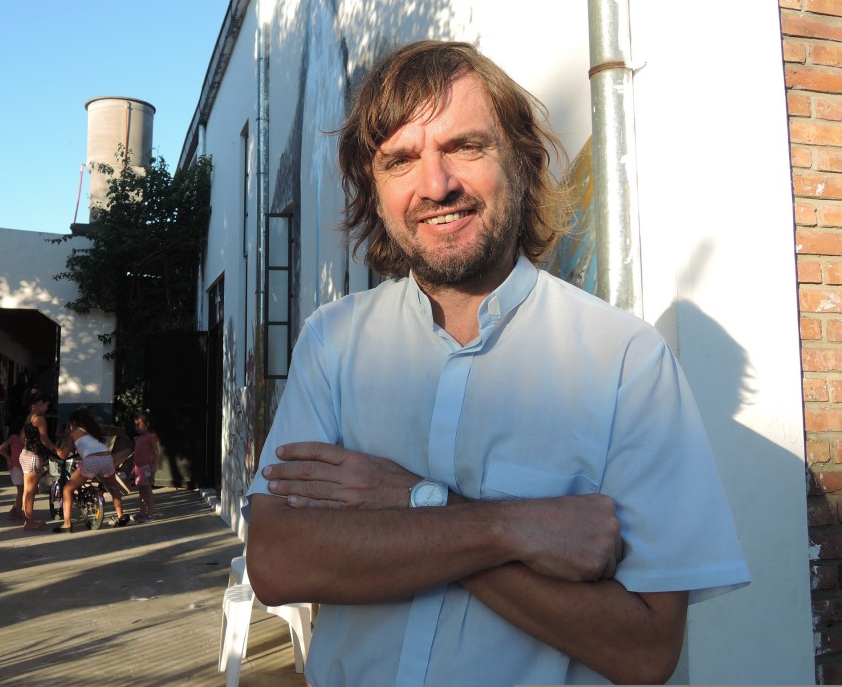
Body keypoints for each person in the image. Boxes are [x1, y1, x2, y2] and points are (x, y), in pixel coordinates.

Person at [245, 40, 751, 686]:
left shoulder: (626, 361)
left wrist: (403, 507)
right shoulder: (331, 343)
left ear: (519, 158)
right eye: (401, 160)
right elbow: (279, 561)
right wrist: (510, 527)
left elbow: (645, 649)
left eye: (465, 146)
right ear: (373, 191)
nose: (436, 185)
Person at [52, 406, 130, 533]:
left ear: (73, 423)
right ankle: (121, 516)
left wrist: (54, 449)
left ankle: (66, 524)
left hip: (92, 461)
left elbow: (64, 455)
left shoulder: (73, 432)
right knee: (113, 488)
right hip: (107, 458)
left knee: (67, 489)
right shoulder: (93, 431)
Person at [18, 386, 63, 531]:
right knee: (31, 491)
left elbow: (21, 438)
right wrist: (57, 449)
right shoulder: (40, 419)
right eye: (46, 405)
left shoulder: (28, 417)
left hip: (25, 455)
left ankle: (28, 519)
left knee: (27, 490)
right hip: (34, 457)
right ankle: (29, 522)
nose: (47, 408)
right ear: (39, 403)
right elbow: (45, 440)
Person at [131, 410, 161, 523]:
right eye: (135, 425)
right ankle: (142, 513)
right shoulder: (137, 438)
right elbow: (137, 455)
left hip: (146, 468)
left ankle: (150, 514)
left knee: (148, 490)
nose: (137, 427)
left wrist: (154, 466)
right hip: (138, 468)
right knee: (141, 491)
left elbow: (156, 452)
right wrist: (133, 469)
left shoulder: (150, 437)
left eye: (139, 424)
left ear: (147, 424)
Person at [0, 425, 25, 521]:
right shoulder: (14, 437)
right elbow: (1, 448)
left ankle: (14, 511)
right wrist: (9, 458)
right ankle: (17, 513)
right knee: (21, 491)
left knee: (22, 491)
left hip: (22, 466)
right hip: (16, 467)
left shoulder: (24, 439)